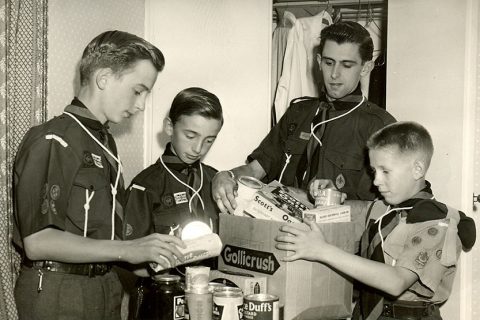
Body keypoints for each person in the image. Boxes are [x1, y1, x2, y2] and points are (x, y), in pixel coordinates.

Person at [13, 30, 186, 320]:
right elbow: (38, 242)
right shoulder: (55, 139)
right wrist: (128, 250)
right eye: (138, 90)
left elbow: (102, 237)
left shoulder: (103, 143)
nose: (142, 105)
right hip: (58, 290)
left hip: (103, 286)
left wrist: (152, 256)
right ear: (104, 78)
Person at [275, 121, 476, 320]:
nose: (376, 181)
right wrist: (328, 196)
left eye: (385, 171)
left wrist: (321, 250)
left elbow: (396, 281)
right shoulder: (383, 208)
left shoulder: (436, 222)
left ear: (417, 169)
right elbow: (348, 212)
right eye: (374, 172)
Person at [213, 21, 396, 214]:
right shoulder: (297, 113)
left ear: (366, 68)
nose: (334, 74)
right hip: (277, 233)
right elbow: (255, 170)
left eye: (347, 65)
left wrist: (329, 203)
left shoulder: (381, 128)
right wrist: (226, 176)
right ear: (318, 61)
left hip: (333, 239)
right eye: (328, 62)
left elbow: (385, 210)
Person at [123, 87, 223, 318]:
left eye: (209, 140)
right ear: (170, 127)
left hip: (208, 300)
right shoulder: (146, 185)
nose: (198, 149)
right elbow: (128, 258)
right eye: (190, 136)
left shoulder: (215, 180)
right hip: (160, 301)